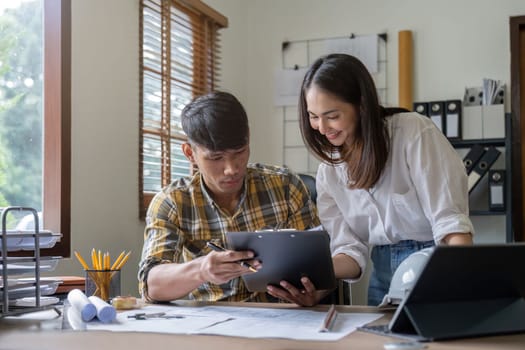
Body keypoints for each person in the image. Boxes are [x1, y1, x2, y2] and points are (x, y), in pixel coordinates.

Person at [298, 53, 474, 306]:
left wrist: (464, 281)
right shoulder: (329, 170)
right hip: (381, 273)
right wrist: (310, 275)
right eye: (313, 116)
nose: (322, 128)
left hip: (433, 265)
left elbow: (451, 223)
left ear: (361, 105)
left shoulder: (412, 132)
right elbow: (350, 253)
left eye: (332, 115)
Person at [138, 91, 323, 306]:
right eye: (216, 158)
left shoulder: (285, 187)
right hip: (212, 326)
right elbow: (151, 286)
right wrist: (201, 270)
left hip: (286, 318)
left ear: (249, 139)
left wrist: (313, 295)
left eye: (240, 152)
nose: (231, 169)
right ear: (190, 154)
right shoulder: (173, 202)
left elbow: (321, 272)